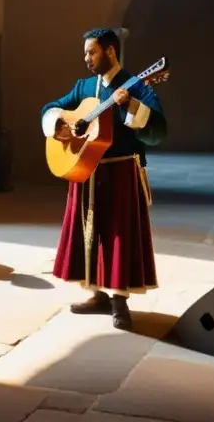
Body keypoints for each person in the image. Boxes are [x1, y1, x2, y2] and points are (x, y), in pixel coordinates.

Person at [40, 27, 167, 330]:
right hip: (87, 170)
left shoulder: (137, 86)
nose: (86, 58)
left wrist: (129, 106)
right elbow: (50, 108)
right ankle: (95, 294)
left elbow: (159, 132)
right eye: (85, 52)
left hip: (121, 169)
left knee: (119, 234)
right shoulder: (84, 87)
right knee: (88, 232)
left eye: (92, 52)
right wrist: (58, 125)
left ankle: (119, 301)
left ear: (110, 51)